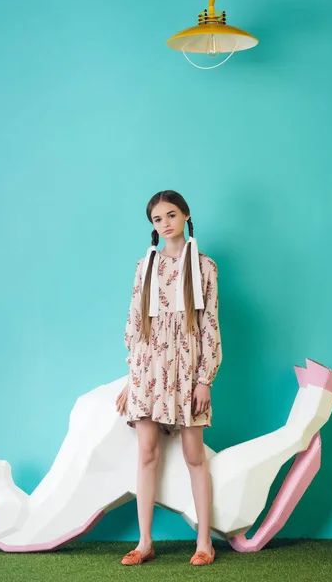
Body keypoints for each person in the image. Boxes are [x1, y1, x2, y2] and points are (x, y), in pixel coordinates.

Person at [115, 190, 222, 566]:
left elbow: (209, 325)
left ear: (186, 215)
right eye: (157, 220)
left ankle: (204, 542)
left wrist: (205, 379)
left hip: (188, 370)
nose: (165, 224)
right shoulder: (145, 267)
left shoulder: (205, 267)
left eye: (170, 215)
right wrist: (133, 377)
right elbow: (134, 323)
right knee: (147, 453)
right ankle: (144, 542)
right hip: (148, 369)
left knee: (195, 455)